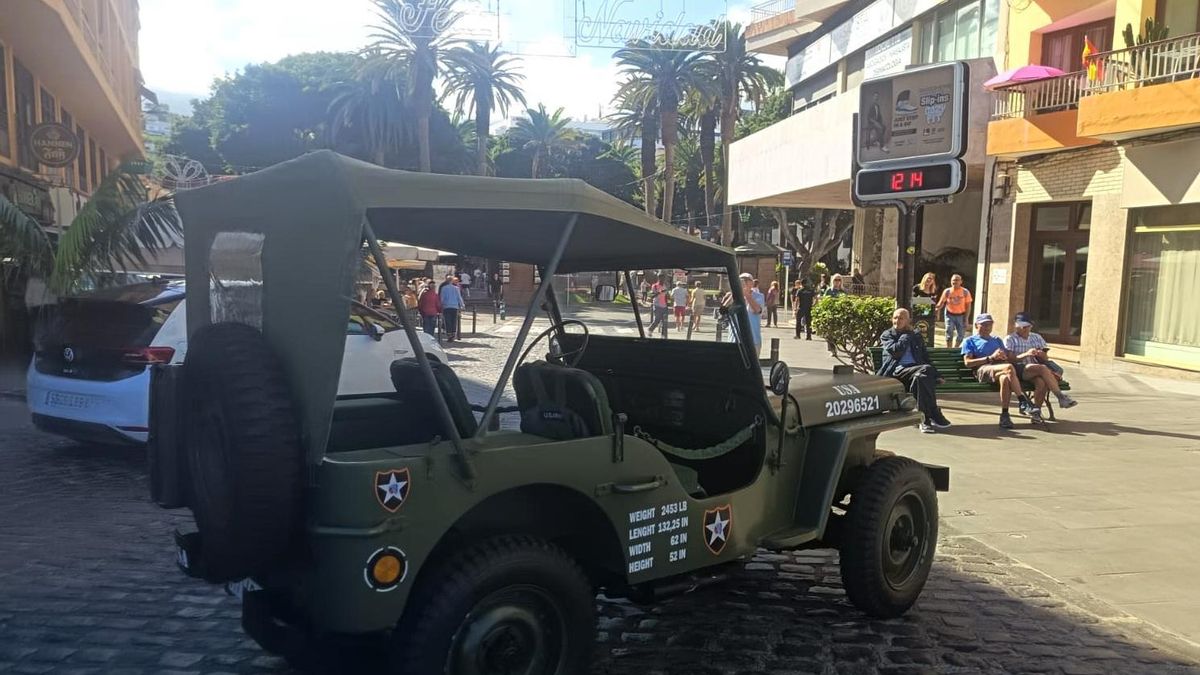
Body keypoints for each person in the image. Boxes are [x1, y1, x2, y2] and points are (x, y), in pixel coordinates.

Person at [878, 308, 951, 433]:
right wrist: (907, 335)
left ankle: (923, 419)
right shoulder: (887, 335)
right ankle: (934, 412)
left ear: (908, 321)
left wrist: (937, 375)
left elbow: (924, 357)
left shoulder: (916, 336)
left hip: (916, 371)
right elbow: (896, 351)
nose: (897, 321)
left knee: (920, 378)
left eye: (901, 318)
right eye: (895, 318)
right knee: (925, 370)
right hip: (897, 372)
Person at [1004, 311, 1078, 413]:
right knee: (1042, 368)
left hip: (1037, 370)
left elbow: (1045, 358)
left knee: (1041, 383)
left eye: (1026, 326)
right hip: (1019, 369)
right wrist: (1026, 354)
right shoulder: (1010, 339)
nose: (1023, 329)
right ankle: (1061, 397)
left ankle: (1036, 412)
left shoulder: (1036, 337)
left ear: (1031, 326)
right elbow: (1010, 359)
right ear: (1015, 326)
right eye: (1020, 326)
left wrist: (1041, 355)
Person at [961, 313, 1022, 429]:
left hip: (999, 369)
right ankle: (1022, 400)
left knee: (1005, 378)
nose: (987, 327)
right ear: (976, 325)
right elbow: (968, 363)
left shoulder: (997, 340)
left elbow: (1006, 357)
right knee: (1008, 368)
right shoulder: (969, 341)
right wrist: (990, 358)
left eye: (989, 324)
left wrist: (1003, 356)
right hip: (982, 370)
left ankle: (1005, 414)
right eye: (984, 324)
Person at [722, 273, 763, 356]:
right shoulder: (732, 296)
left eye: (746, 281)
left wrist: (746, 294)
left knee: (751, 363)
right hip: (734, 340)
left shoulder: (759, 296)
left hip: (753, 340)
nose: (744, 283)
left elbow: (757, 310)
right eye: (741, 281)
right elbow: (723, 311)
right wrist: (734, 294)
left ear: (752, 283)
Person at [935, 273, 973, 348]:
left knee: (961, 334)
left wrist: (966, 318)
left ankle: (955, 348)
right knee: (949, 332)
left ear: (961, 281)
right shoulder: (947, 291)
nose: (955, 282)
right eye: (953, 280)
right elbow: (941, 303)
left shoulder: (965, 292)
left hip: (961, 315)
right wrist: (936, 309)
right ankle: (949, 349)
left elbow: (968, 306)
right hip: (949, 314)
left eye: (957, 280)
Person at [819, 274, 847, 355]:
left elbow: (846, 302)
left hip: (840, 314)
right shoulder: (829, 290)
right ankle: (832, 349)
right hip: (830, 313)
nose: (837, 282)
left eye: (839, 280)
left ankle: (837, 346)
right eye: (836, 280)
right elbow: (824, 301)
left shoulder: (843, 291)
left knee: (838, 332)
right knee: (830, 332)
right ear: (833, 281)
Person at [439, 274, 464, 341]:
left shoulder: (444, 288)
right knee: (454, 321)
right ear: (452, 281)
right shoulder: (456, 288)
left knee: (447, 321)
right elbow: (459, 297)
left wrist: (440, 305)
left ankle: (449, 334)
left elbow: (442, 298)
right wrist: (462, 305)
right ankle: (453, 334)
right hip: (454, 306)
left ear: (447, 280)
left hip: (446, 306)